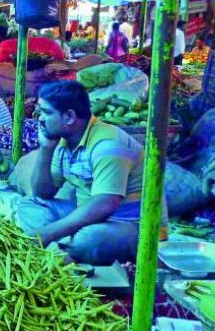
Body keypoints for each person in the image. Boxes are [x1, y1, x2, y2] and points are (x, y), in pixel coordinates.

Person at [18, 80, 147, 265]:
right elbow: (43, 193)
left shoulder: (108, 144)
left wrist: (49, 232)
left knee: (88, 240)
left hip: (125, 223)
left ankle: (65, 249)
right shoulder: (64, 140)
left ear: (69, 117)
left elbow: (104, 204)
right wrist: (45, 149)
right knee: (30, 204)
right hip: (86, 212)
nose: (39, 118)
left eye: (46, 112)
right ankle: (65, 249)